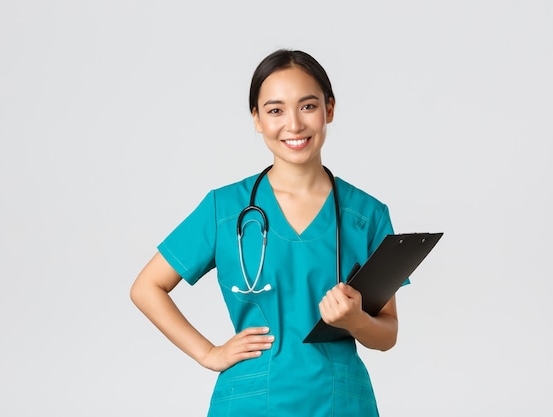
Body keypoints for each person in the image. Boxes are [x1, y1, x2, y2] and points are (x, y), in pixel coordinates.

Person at [130, 48, 403, 417]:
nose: (293, 124)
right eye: (275, 110)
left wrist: (355, 320)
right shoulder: (225, 210)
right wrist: (208, 353)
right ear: (257, 119)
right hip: (250, 401)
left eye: (307, 106)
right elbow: (146, 288)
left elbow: (387, 335)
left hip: (339, 402)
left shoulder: (367, 215)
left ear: (330, 110)